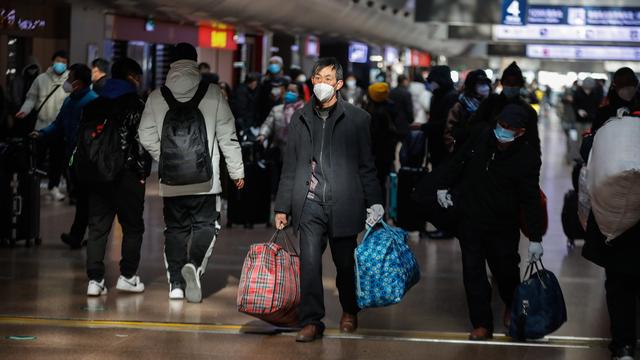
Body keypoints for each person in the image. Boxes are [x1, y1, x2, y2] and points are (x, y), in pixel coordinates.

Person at [273, 57, 383, 342]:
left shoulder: (358, 119)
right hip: (309, 203)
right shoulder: (299, 118)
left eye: (328, 79)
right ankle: (311, 321)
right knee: (309, 264)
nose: (322, 83)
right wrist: (282, 206)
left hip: (344, 202)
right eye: (318, 78)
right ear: (312, 82)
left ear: (339, 84)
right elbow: (291, 165)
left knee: (345, 265)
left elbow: (367, 165)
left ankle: (349, 309)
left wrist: (375, 202)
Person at [139, 43, 245, 303]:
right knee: (207, 225)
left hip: (172, 181)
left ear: (171, 64)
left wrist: (165, 158)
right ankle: (194, 265)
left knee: (175, 229)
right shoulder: (213, 94)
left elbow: (144, 134)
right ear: (195, 62)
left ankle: (175, 284)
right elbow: (228, 137)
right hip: (206, 181)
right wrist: (237, 171)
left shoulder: (156, 96)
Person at [435, 104, 544, 341]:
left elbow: (530, 198)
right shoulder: (482, 136)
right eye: (501, 125)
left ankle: (510, 304)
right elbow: (459, 160)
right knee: (473, 273)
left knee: (505, 272)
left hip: (503, 225)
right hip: (471, 218)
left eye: (509, 129)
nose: (502, 131)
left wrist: (536, 238)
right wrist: (443, 185)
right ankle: (481, 323)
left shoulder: (527, 157)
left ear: (521, 132)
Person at [581, 67, 640, 360]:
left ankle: (625, 343)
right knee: (621, 283)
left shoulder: (605, 115)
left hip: (615, 218)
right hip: (625, 216)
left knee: (619, 283)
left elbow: (589, 154)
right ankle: (625, 342)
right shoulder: (604, 113)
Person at [81, 58, 152, 296]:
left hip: (98, 174)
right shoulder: (136, 104)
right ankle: (128, 276)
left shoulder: (94, 104)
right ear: (132, 77)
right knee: (132, 226)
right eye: (138, 76)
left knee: (98, 227)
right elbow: (142, 143)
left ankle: (95, 280)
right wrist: (143, 173)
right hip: (127, 174)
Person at [30, 64, 98, 249]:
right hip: (73, 156)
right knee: (81, 198)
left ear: (78, 83)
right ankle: (81, 236)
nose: (67, 82)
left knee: (86, 198)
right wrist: (42, 133)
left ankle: (83, 237)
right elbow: (59, 124)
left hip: (88, 159)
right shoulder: (70, 101)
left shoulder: (92, 101)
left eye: (70, 79)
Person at [16, 50, 70, 201]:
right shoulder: (41, 79)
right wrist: (24, 111)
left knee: (57, 159)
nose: (61, 64)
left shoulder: (70, 81)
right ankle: (34, 186)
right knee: (37, 157)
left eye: (65, 62)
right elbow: (31, 99)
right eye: (59, 61)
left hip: (60, 128)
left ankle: (54, 187)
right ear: (52, 62)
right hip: (41, 126)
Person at [469, 61, 540, 157]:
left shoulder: (528, 111)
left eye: (515, 83)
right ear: (502, 83)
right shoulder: (490, 102)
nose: (510, 86)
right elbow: (473, 125)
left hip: (514, 160)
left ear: (520, 85)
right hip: (486, 156)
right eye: (508, 82)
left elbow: (533, 143)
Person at [365, 82, 400, 206]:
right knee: (383, 183)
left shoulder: (372, 112)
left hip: (374, 154)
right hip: (387, 154)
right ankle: (383, 211)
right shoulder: (392, 107)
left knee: (373, 184)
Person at [444, 69, 492, 153]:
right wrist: (453, 150)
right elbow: (449, 131)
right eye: (480, 83)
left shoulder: (491, 104)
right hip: (464, 152)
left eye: (486, 83)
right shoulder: (461, 105)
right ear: (472, 85)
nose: (485, 87)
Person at [422, 65, 458, 169]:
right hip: (435, 145)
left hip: (444, 146)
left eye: (434, 81)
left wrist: (424, 127)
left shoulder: (451, 96)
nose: (432, 84)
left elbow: (446, 123)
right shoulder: (436, 96)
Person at [255, 56, 286, 126]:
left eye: (276, 63)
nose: (273, 65)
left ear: (281, 65)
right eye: (271, 63)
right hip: (265, 115)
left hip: (281, 117)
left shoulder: (286, 82)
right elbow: (259, 101)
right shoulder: (264, 82)